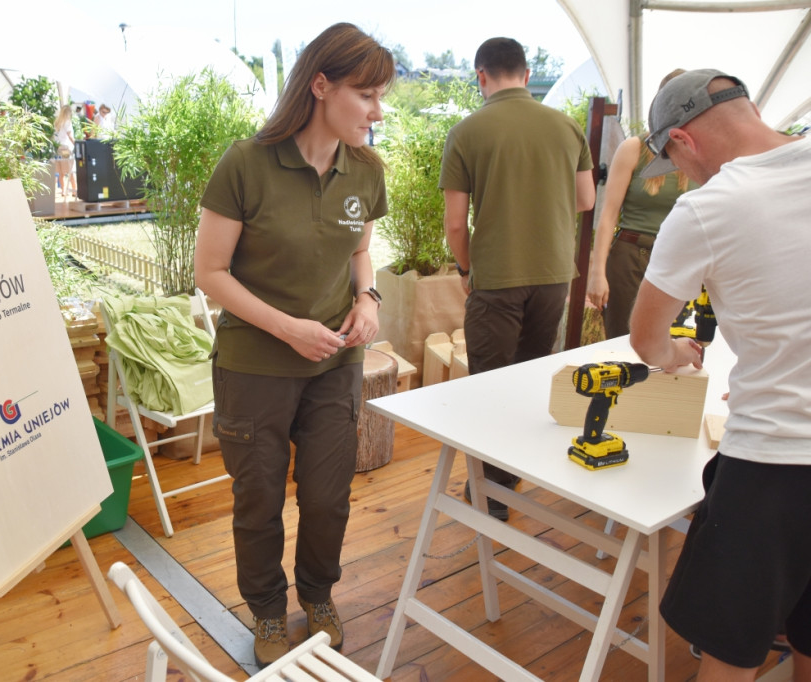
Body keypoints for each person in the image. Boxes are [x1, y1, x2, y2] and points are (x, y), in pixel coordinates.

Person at [194, 23, 393, 667]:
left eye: (380, 97)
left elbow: (361, 249)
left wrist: (368, 299)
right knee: (259, 498)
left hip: (336, 363)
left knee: (329, 491)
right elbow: (210, 273)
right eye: (367, 95)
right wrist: (286, 327)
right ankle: (269, 612)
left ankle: (319, 593)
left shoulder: (364, 169)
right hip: (256, 367)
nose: (376, 111)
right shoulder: (245, 164)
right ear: (320, 85)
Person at [629, 69, 810, 681]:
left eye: (675, 161)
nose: (682, 177)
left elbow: (647, 338)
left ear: (684, 138)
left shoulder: (708, 207)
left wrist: (676, 355)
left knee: (732, 653)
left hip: (776, 467)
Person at [439, 37, 595, 520]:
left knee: (488, 383)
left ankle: (490, 493)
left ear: (481, 76)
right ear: (527, 76)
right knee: (530, 377)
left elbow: (453, 223)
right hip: (553, 275)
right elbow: (587, 199)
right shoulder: (566, 126)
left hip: (498, 275)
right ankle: (512, 476)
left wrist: (467, 269)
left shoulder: (467, 132)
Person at [586, 71, 694, 338]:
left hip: (678, 259)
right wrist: (597, 273)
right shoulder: (634, 148)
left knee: (672, 341)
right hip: (632, 255)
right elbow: (608, 215)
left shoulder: (699, 152)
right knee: (624, 339)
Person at [54, 104, 77, 199]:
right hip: (66, 148)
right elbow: (70, 136)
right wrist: (77, 144)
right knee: (71, 169)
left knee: (60, 171)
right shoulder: (67, 122)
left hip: (58, 147)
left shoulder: (56, 122)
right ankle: (75, 190)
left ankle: (63, 190)